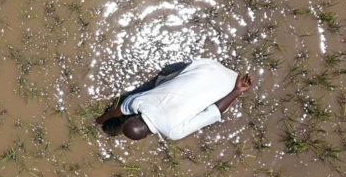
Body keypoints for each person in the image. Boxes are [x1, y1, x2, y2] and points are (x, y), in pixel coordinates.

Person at [94, 58, 253, 141]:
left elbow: (215, 111)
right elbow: (117, 110)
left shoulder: (173, 132)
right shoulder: (137, 103)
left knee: (204, 113)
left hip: (231, 84)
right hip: (208, 66)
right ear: (136, 116)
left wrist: (237, 90)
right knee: (161, 82)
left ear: (147, 136)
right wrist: (101, 118)